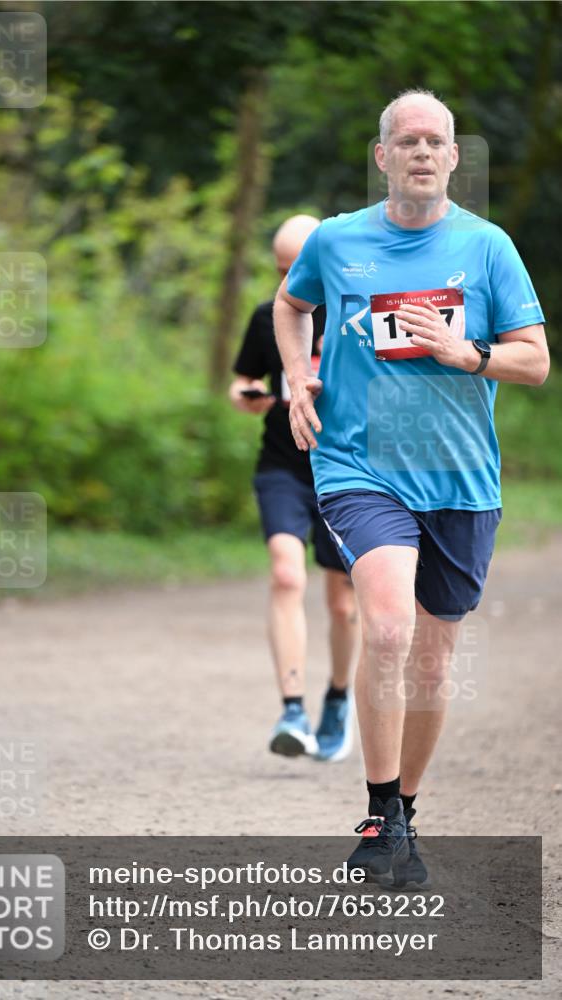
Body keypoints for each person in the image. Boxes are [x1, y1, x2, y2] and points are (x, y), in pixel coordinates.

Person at [274, 90, 548, 885]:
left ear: (453, 158)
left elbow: (533, 360)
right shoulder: (336, 240)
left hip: (460, 477)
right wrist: (298, 375)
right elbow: (290, 305)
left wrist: (469, 354)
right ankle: (376, 811)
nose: (422, 152)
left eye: (436, 141)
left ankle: (404, 817)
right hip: (359, 465)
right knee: (386, 629)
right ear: (382, 155)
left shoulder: (487, 247)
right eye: (407, 140)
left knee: (430, 664)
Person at [229, 215, 358, 763]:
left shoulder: (359, 313)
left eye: (296, 267)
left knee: (344, 604)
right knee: (286, 574)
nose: (287, 279)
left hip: (348, 469)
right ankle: (292, 710)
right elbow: (241, 382)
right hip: (282, 464)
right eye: (280, 269)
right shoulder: (267, 317)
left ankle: (336, 698)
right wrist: (248, 396)